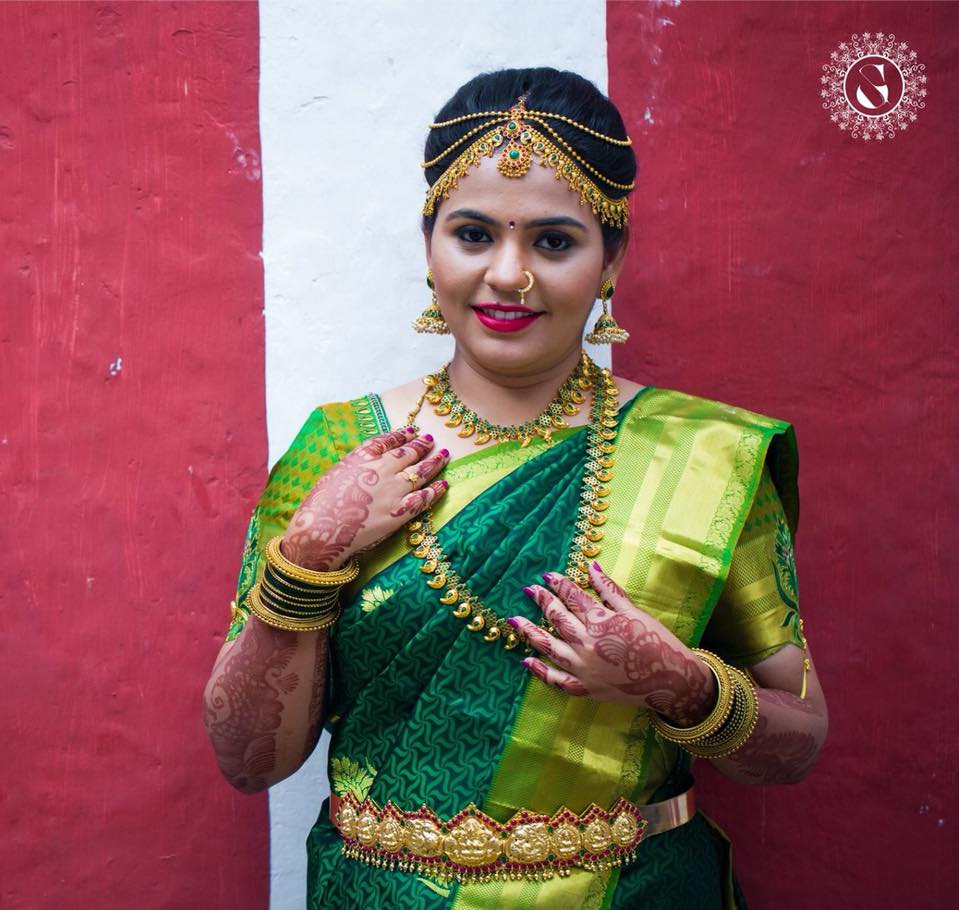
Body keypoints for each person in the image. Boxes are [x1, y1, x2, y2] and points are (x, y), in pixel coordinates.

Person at [202, 67, 828, 909]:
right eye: (472, 234)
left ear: (611, 259)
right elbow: (250, 761)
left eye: (553, 242)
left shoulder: (705, 456)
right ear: (428, 247)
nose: (508, 275)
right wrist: (305, 561)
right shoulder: (341, 450)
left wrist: (680, 685)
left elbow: (795, 747)